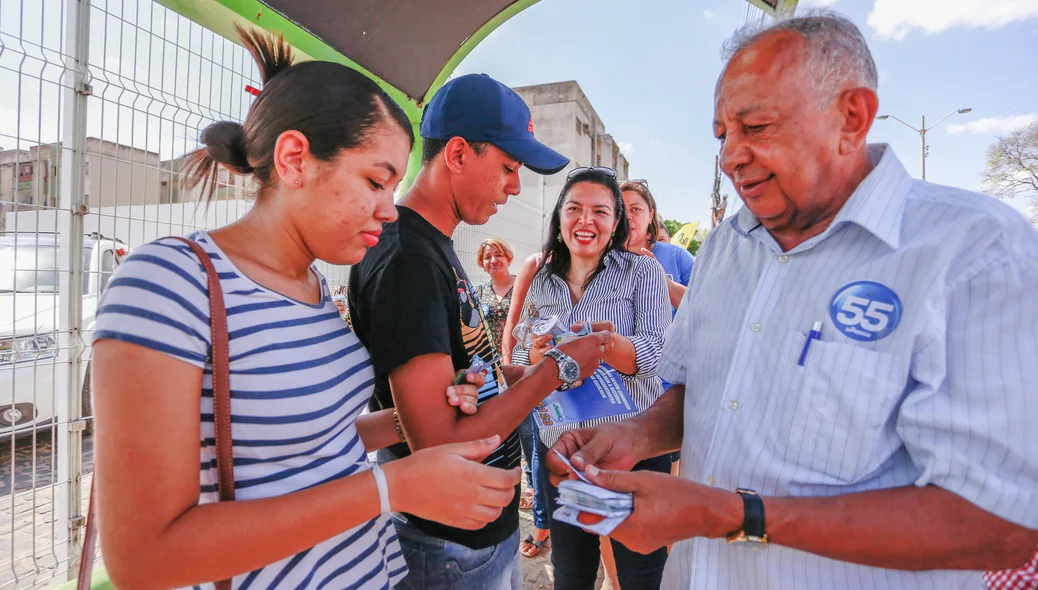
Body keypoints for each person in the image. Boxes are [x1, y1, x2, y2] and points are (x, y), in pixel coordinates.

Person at [547, 11, 1038, 589]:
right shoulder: (729, 245)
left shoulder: (974, 251)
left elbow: (1002, 521)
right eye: (723, 135)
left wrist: (737, 516)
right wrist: (632, 435)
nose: (730, 157)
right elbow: (693, 389)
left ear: (851, 118)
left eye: (755, 127)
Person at [89, 27, 519, 590]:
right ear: (295, 159)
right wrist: (394, 487)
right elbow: (144, 558)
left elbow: (305, 441)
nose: (390, 212)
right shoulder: (170, 282)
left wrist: (412, 417)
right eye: (375, 181)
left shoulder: (312, 286)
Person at [348, 73, 615, 590]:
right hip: (444, 544)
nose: (514, 187)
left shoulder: (433, 245)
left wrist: (524, 371)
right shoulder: (408, 258)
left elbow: (462, 382)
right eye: (508, 169)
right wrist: (557, 369)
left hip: (473, 536)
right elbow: (438, 440)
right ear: (457, 154)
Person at [512, 166, 672, 590]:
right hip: (563, 451)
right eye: (574, 209)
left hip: (631, 448)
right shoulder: (542, 279)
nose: (586, 221)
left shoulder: (643, 272)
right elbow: (518, 350)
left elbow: (660, 353)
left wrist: (602, 346)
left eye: (600, 211)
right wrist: (536, 355)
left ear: (616, 222)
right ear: (559, 218)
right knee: (572, 574)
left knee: (640, 573)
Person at [621, 180, 694, 312]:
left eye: (636, 209)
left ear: (650, 215)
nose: (628, 217)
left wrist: (663, 281)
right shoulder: (601, 260)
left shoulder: (677, 256)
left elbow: (704, 308)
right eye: (620, 210)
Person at [473, 238, 516, 353]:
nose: (493, 260)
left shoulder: (523, 287)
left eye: (498, 255)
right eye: (487, 257)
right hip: (490, 360)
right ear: (482, 263)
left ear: (508, 258)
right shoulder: (479, 292)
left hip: (520, 357)